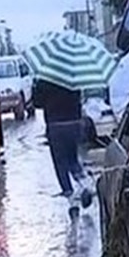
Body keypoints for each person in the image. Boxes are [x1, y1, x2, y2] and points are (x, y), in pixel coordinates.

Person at [32, 78, 94, 215]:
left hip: (56, 126)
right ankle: (84, 183)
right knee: (73, 159)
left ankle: (72, 200)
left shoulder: (46, 79)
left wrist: (35, 87)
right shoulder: (73, 76)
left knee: (60, 163)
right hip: (74, 124)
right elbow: (79, 98)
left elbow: (37, 103)